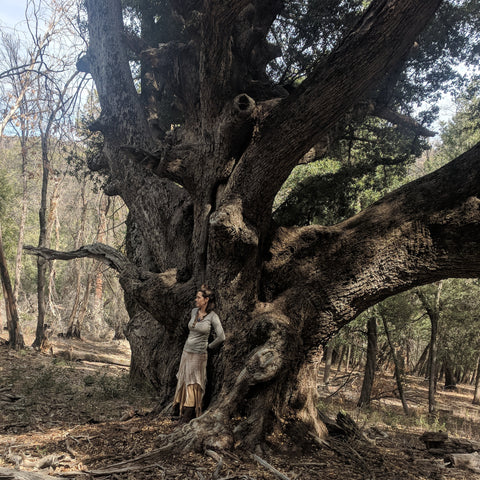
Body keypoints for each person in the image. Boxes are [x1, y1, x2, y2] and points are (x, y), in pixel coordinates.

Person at [173, 285, 225, 423]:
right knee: (184, 380)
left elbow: (221, 336)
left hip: (199, 354)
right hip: (186, 352)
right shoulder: (194, 311)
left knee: (194, 382)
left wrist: (209, 346)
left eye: (198, 297)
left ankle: (188, 414)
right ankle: (181, 410)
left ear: (206, 300)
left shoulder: (213, 316)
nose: (196, 299)